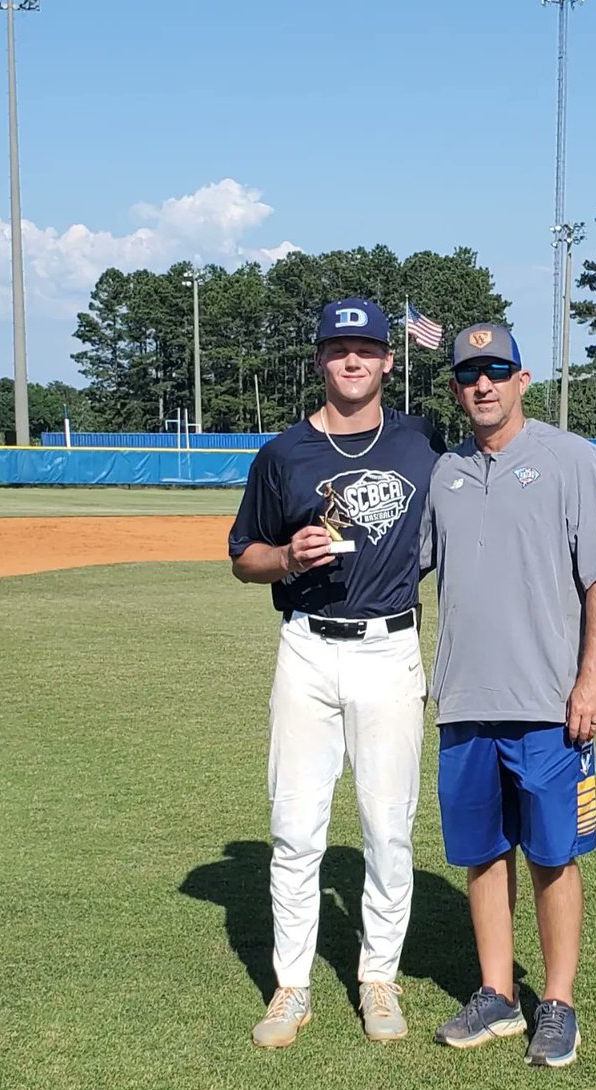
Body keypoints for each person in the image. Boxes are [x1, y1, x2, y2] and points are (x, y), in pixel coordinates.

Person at [228, 297, 445, 1048]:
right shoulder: (284, 454)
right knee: (295, 828)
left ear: (389, 360)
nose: (352, 361)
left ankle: (377, 978)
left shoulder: (423, 439)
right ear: (319, 360)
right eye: (337, 349)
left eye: (366, 349)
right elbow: (242, 557)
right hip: (307, 648)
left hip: (391, 647)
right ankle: (291, 989)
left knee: (388, 828)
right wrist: (286, 558)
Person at [423, 323, 596, 1068]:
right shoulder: (442, 472)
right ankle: (496, 996)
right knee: (482, 855)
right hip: (464, 700)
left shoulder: (570, 459)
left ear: (522, 380)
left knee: (553, 856)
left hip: (550, 703)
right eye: (468, 374)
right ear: (455, 389)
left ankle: (559, 1002)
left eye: (496, 370)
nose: (482, 384)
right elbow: (407, 567)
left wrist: (594, 675)